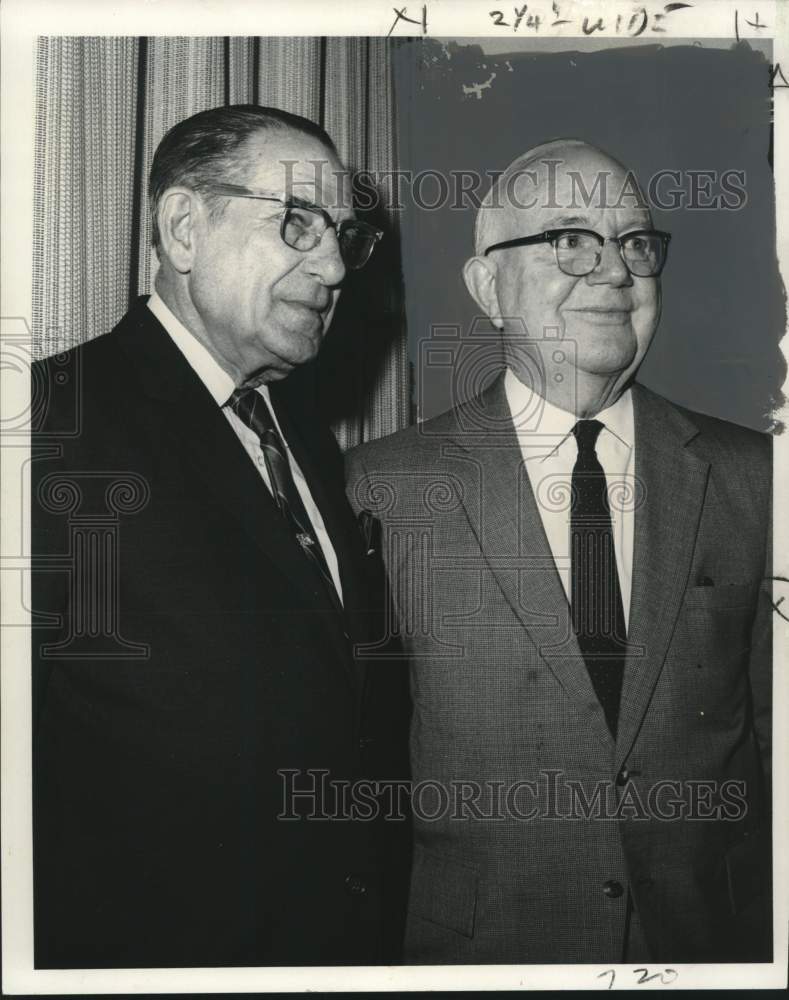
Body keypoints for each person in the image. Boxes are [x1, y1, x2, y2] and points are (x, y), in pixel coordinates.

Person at [346, 139, 772, 964]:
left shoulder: (756, 478)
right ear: (487, 288)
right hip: (476, 957)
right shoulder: (378, 489)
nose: (614, 272)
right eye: (569, 240)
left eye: (634, 244)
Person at [31, 104, 410, 968]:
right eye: (296, 223)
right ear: (183, 227)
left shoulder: (304, 441)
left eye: (343, 236)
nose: (332, 266)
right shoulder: (49, 425)